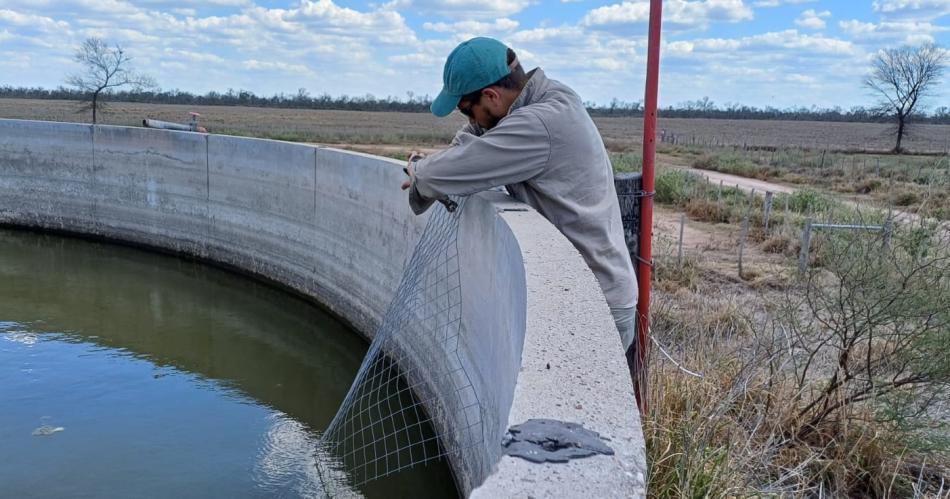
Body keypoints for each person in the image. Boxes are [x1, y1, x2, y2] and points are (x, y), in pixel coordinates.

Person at [401, 36, 639, 375]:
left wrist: (420, 170)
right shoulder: (549, 98)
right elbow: (473, 142)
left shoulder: (539, 123)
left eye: (468, 110)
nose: (472, 120)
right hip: (584, 292)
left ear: (492, 96)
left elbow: (464, 165)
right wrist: (438, 165)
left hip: (593, 304)